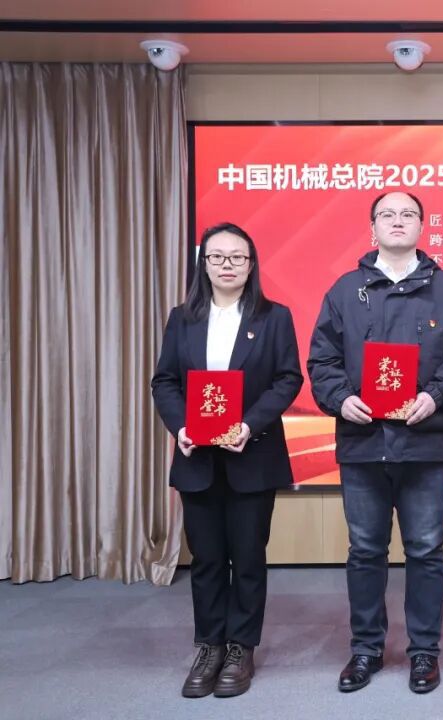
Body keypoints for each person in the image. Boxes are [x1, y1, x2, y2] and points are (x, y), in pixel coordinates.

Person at [308, 191, 443, 695]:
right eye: (387, 214)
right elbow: (322, 359)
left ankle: (424, 651)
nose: (398, 221)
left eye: (408, 214)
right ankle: (366, 649)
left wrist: (436, 394)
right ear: (373, 228)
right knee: (365, 550)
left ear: (422, 226)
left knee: (426, 550)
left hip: (424, 445)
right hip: (363, 443)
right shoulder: (345, 291)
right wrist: (341, 399)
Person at [151, 222, 303, 698]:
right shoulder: (182, 318)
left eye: (237, 257)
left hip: (252, 454)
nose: (227, 265)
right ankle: (209, 645)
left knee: (249, 557)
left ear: (251, 265)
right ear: (204, 265)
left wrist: (249, 425)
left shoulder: (274, 317)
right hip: (197, 458)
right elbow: (165, 381)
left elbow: (287, 379)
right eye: (217, 257)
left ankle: (241, 647)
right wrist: (182, 427)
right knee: (208, 559)